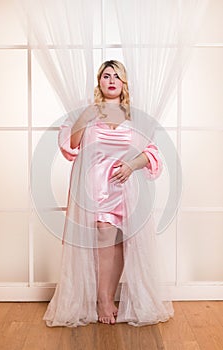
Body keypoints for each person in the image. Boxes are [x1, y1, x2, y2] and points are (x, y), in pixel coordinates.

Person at [44, 60, 174, 327]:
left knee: (121, 241)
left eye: (117, 76)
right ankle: (104, 299)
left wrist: (130, 165)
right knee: (104, 232)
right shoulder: (89, 113)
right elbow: (72, 145)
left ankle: (110, 295)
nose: (111, 80)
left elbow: (151, 154)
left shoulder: (134, 117)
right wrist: (87, 114)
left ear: (124, 82)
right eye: (106, 75)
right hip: (96, 187)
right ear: (99, 81)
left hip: (125, 185)